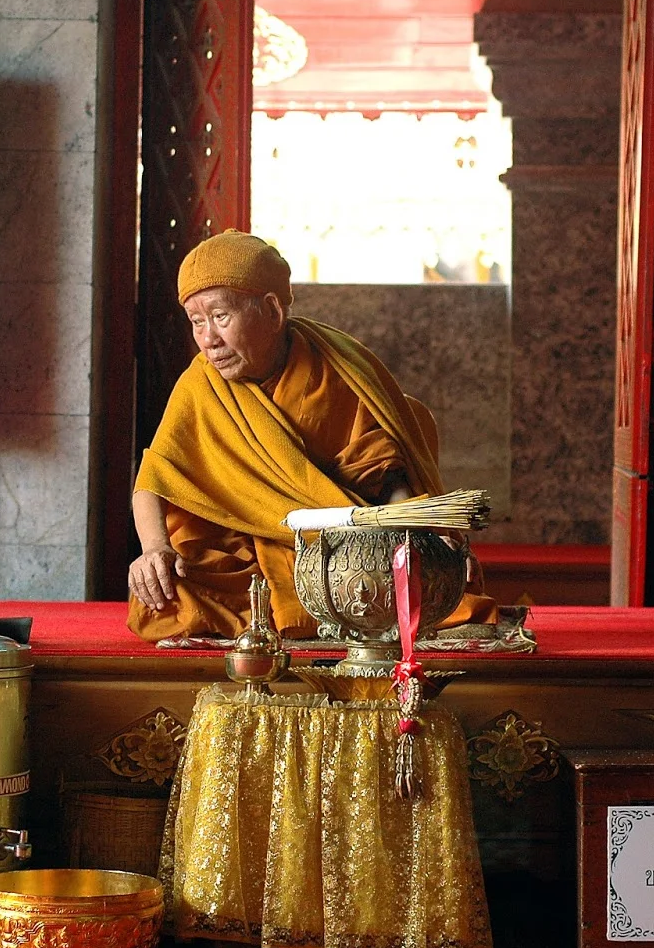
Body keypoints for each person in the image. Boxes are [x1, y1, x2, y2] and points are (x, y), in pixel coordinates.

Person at [127, 230, 495, 640]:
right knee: (166, 593)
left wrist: (411, 530)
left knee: (409, 581)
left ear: (271, 310)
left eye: (220, 317)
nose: (208, 340)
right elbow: (156, 475)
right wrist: (154, 549)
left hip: (344, 545)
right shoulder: (202, 384)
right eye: (197, 322)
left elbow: (384, 470)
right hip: (249, 549)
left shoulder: (336, 368)